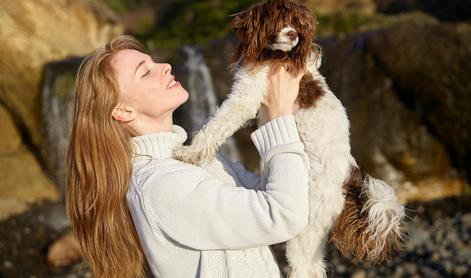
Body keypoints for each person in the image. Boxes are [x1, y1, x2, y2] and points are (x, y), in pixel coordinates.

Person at [66, 35, 309, 278]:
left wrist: (278, 109)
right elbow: (283, 215)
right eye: (144, 72)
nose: (165, 66)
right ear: (123, 110)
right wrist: (278, 116)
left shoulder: (191, 160)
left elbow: (278, 193)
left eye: (154, 62)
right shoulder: (159, 186)